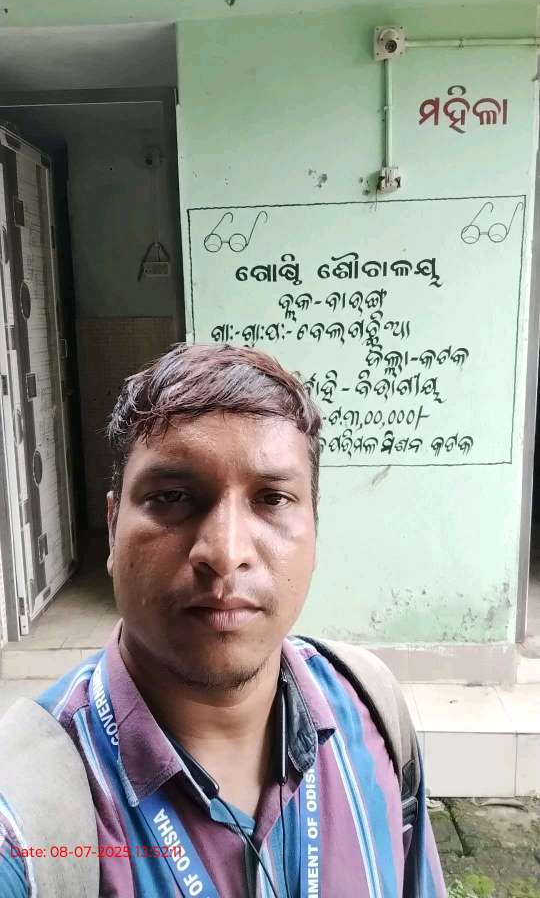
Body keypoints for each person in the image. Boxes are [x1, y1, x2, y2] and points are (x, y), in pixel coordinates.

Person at [0, 343, 446, 897]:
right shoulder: (24, 825)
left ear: (315, 528)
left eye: (272, 499)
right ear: (113, 527)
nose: (226, 552)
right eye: (172, 496)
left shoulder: (372, 711)